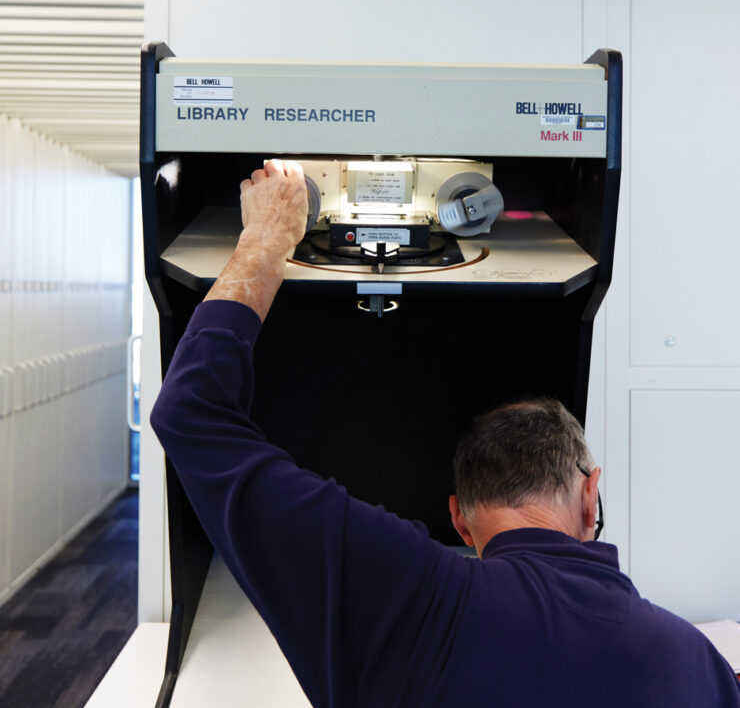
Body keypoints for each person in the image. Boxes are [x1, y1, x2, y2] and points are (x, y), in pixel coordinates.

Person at [150, 159, 740, 707]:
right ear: (591, 497)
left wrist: (267, 238)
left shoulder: (407, 595)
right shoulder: (695, 662)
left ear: (459, 518)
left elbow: (189, 413)